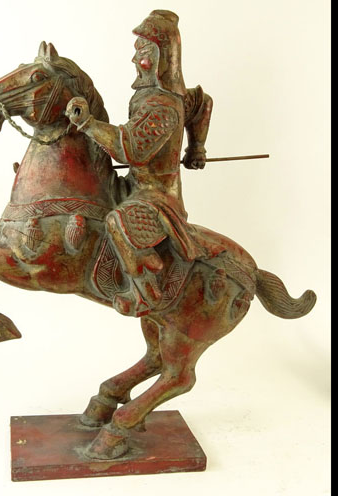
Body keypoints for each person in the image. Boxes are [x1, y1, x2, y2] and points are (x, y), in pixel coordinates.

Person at [66, 9, 213, 316]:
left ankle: (145, 291)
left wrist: (88, 124)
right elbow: (202, 103)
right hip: (134, 186)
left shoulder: (164, 106)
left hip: (157, 198)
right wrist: (196, 149)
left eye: (143, 52)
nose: (135, 59)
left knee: (117, 223)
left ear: (161, 59)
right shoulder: (167, 98)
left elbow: (130, 148)